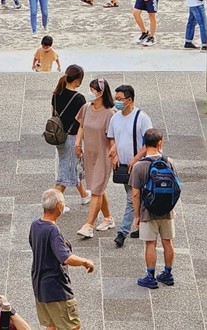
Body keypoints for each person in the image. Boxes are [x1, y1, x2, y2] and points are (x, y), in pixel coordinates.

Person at [29, 189, 95, 330]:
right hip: (56, 287)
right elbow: (66, 258)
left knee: (52, 325)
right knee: (72, 326)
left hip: (40, 285)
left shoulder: (35, 225)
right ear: (59, 206)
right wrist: (85, 261)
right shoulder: (53, 231)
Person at [129, 128, 177, 289]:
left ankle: (150, 276)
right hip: (167, 211)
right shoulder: (168, 162)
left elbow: (135, 194)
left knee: (150, 243)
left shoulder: (138, 167)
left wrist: (136, 215)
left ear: (144, 144)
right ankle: (168, 274)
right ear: (159, 143)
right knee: (167, 242)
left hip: (148, 211)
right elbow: (177, 187)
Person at [107, 84, 152, 248]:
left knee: (131, 199)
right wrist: (115, 153)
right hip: (123, 167)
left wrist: (135, 159)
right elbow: (111, 137)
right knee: (137, 197)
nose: (116, 102)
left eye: (119, 99)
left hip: (138, 167)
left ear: (129, 100)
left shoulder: (142, 118)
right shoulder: (115, 118)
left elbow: (149, 143)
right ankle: (143, 225)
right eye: (115, 99)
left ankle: (122, 232)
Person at [73, 78, 115, 239]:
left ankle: (88, 225)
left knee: (96, 190)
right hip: (89, 154)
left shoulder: (110, 114)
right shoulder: (86, 108)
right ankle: (108, 218)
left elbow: (112, 137)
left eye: (94, 90)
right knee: (97, 188)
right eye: (90, 89)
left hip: (104, 156)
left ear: (102, 93)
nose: (91, 93)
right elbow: (81, 126)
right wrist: (77, 144)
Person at [51, 66, 89, 203]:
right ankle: (55, 203)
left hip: (58, 136)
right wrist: (80, 143)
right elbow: (83, 124)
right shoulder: (79, 99)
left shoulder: (56, 93)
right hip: (72, 137)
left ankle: (84, 195)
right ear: (78, 80)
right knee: (65, 171)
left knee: (70, 165)